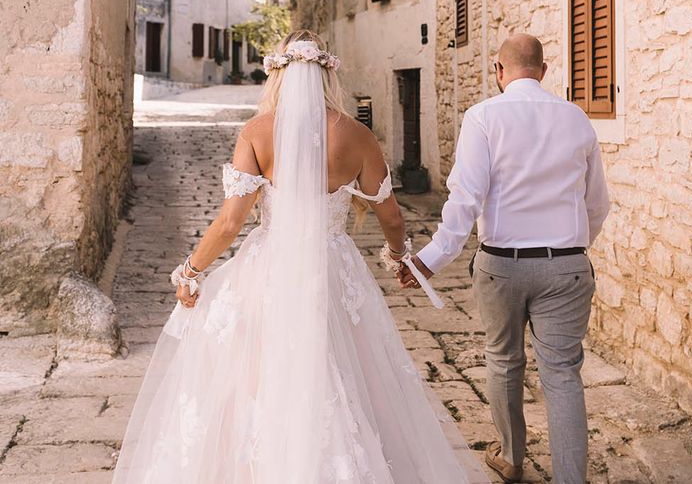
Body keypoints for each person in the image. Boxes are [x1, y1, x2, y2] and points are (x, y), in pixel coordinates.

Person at [112, 30, 488, 483]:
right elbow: (390, 215)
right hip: (332, 267)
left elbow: (230, 223)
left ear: (279, 75)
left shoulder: (256, 133)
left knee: (256, 374)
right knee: (344, 369)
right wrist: (398, 257)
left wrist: (191, 270)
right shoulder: (357, 136)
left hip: (268, 268)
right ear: (328, 75)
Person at [399, 34, 611, 484]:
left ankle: (513, 459)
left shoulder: (483, 117)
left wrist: (429, 260)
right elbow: (597, 204)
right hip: (567, 265)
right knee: (563, 374)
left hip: (502, 265)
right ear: (545, 70)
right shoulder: (577, 119)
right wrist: (571, 249)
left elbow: (465, 198)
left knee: (503, 361)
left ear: (498, 70)